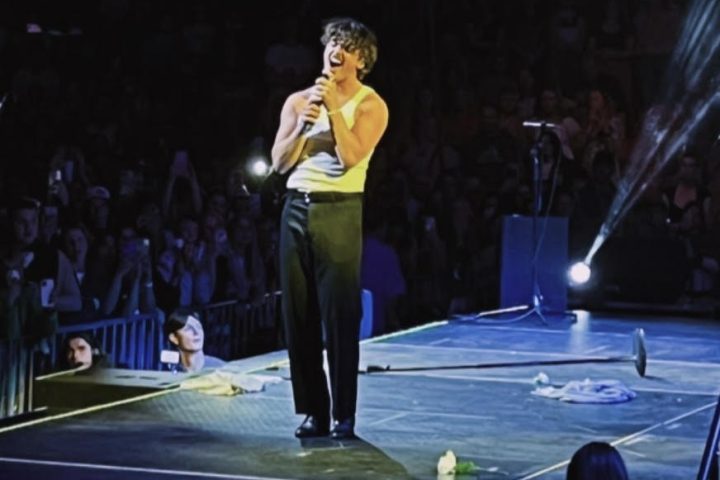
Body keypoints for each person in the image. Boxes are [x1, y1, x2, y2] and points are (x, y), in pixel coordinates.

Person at [270, 17, 389, 440]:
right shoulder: (298, 101)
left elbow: (351, 157)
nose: (336, 50)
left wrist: (334, 109)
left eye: (347, 46)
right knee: (298, 313)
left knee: (339, 315)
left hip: (339, 208)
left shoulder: (371, 104)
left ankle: (344, 414)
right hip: (296, 207)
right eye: (332, 42)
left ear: (361, 61)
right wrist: (305, 127)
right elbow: (280, 163)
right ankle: (313, 411)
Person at [163, 308, 225, 373]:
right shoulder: (171, 371)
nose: (196, 333)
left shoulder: (221, 369)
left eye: (198, 327)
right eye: (188, 329)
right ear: (174, 338)